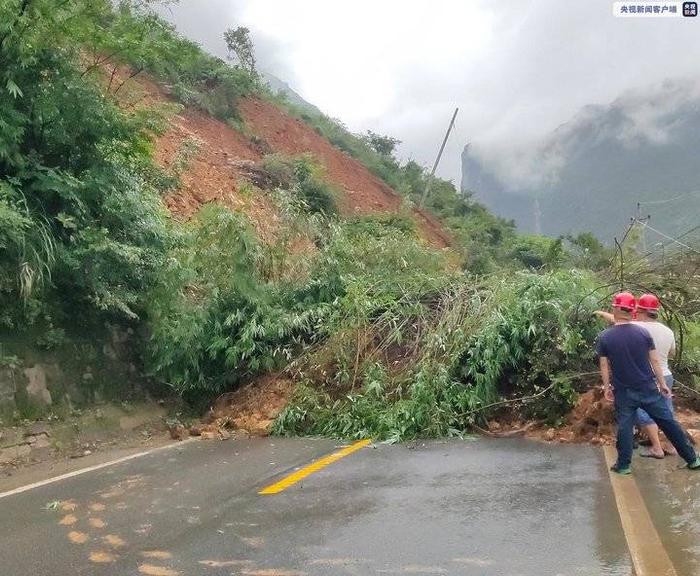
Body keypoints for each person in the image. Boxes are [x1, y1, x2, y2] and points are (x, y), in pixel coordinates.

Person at [596, 292, 700, 474]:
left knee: (625, 426)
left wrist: (607, 387)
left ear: (616, 308)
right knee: (668, 422)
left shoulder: (606, 336)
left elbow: (604, 364)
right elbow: (655, 361)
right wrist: (663, 384)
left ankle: (623, 465)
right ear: (633, 310)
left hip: (624, 391)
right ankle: (692, 459)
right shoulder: (643, 333)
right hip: (648, 388)